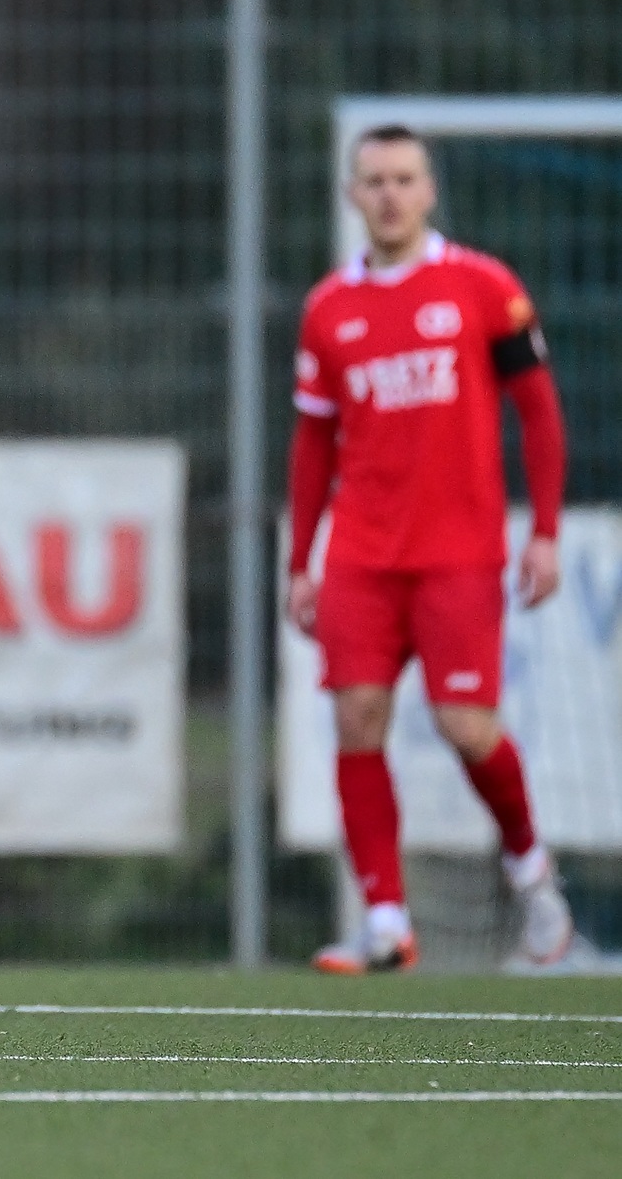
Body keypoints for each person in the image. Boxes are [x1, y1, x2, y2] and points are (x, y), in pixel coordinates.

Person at [288, 125, 574, 973]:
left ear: (429, 191)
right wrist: (300, 559)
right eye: (373, 180)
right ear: (352, 194)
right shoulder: (328, 309)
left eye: (404, 178)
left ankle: (530, 866)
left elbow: (540, 414)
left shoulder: (482, 288)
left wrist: (546, 532)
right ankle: (386, 922)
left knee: (465, 723)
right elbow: (312, 447)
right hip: (362, 557)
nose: (389, 195)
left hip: (458, 553)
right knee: (355, 717)